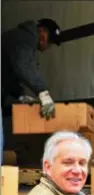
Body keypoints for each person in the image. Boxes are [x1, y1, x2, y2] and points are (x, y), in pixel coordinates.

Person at [1, 18, 61, 163]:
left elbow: (9, 74)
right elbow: (24, 67)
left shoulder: (17, 38)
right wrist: (43, 92)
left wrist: (20, 95)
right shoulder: (23, 38)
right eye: (49, 40)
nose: (47, 45)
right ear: (42, 31)